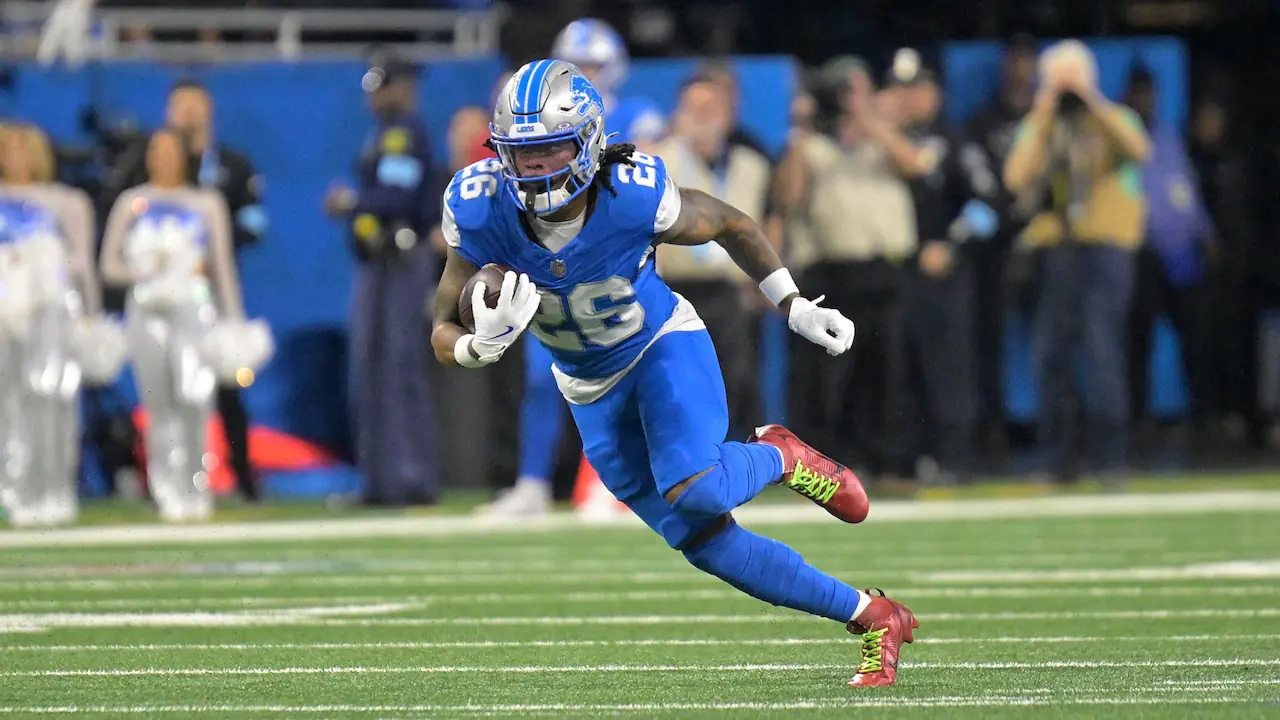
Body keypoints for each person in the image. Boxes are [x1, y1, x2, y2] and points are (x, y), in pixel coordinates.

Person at [431, 59, 917, 688]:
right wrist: (477, 348)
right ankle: (873, 615)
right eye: (522, 155)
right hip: (588, 389)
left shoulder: (628, 192)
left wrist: (792, 303)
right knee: (705, 542)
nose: (535, 169)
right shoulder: (478, 207)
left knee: (699, 488)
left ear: (585, 142)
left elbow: (733, 223)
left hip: (661, 345)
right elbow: (442, 324)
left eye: (550, 150)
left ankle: (778, 455)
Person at [478, 18, 667, 518]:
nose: (587, 73)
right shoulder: (537, 119)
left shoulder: (636, 115)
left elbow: (646, 196)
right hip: (547, 262)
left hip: (612, 264)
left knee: (625, 373)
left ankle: (619, 481)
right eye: (578, 65)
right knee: (543, 379)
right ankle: (532, 481)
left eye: (595, 65)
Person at [100, 127, 272, 522]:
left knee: (195, 399)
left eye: (170, 150)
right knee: (158, 405)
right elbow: (109, 266)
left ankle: (197, 486)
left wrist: (234, 319)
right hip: (147, 313)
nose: (162, 158)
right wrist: (141, 270)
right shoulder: (132, 202)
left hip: (195, 312)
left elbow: (222, 267)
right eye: (155, 150)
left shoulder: (206, 202)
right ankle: (166, 490)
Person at [1003, 40, 1150, 482]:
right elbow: (1015, 175)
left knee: (1103, 348)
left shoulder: (1115, 118)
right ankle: (1058, 460)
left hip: (1107, 247)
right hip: (1061, 248)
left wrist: (1092, 101)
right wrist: (1046, 109)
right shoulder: (1045, 124)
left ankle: (1111, 457)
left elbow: (1139, 150)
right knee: (1051, 353)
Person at [324, 48, 441, 507]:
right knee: (371, 371)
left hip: (401, 263)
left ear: (403, 86)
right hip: (378, 263)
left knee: (397, 367)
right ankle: (379, 480)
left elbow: (396, 197)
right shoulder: (382, 135)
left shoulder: (406, 134)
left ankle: (410, 478)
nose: (374, 96)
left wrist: (352, 204)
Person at [0, 123, 124, 526]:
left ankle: (56, 489)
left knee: (54, 400)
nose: (12, 157)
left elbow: (82, 264)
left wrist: (90, 316)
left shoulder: (66, 201)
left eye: (20, 148)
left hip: (53, 312)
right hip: (5, 318)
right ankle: (15, 491)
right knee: (9, 404)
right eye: (6, 149)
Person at [891, 49, 1001, 484]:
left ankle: (955, 457)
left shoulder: (955, 140)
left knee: (949, 366)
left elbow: (991, 203)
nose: (908, 98)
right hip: (897, 272)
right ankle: (904, 459)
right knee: (902, 368)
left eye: (915, 88)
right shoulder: (884, 141)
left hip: (943, 273)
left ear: (935, 92)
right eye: (900, 89)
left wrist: (952, 245)